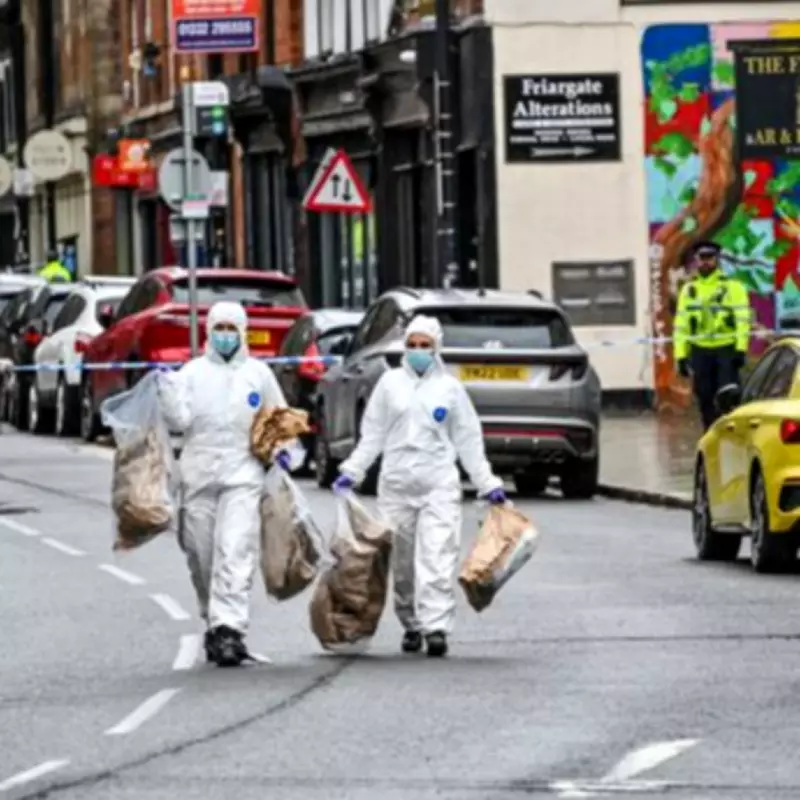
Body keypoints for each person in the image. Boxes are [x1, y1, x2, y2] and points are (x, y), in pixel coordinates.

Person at [332, 314, 507, 658]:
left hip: (438, 482)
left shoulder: (450, 390)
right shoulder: (389, 385)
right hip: (396, 485)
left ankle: (436, 626)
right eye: (412, 345)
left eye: (424, 345)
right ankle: (411, 621)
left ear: (436, 347)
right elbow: (373, 435)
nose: (417, 351)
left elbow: (468, 440)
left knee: (437, 555)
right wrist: (352, 470)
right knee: (402, 562)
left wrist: (488, 483)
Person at [157, 300, 293, 667]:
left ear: (243, 332)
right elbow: (179, 424)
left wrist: (284, 452)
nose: (226, 336)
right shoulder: (191, 373)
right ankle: (212, 618)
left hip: (242, 474)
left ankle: (230, 628)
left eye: (233, 329)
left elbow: (279, 419)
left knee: (234, 550)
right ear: (208, 331)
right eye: (220, 328)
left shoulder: (259, 374)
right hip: (198, 473)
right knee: (201, 555)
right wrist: (168, 392)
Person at [673, 240, 752, 430]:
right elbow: (682, 325)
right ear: (696, 261)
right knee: (704, 397)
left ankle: (731, 433)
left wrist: (740, 349)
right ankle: (711, 436)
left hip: (726, 348)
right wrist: (681, 356)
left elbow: (742, 320)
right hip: (700, 351)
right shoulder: (689, 290)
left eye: (710, 257)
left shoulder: (732, 287)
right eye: (702, 258)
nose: (706, 262)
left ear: (717, 260)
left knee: (728, 396)